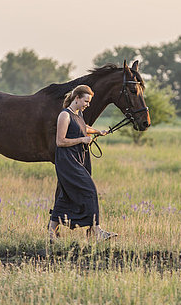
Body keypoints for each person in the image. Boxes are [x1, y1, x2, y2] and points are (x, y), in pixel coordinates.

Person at [48, 84, 117, 242]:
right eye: (86, 101)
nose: (88, 105)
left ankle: (51, 233)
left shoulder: (78, 114)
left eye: (89, 102)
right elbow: (60, 141)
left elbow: (83, 127)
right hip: (67, 160)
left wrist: (98, 131)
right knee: (89, 190)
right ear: (77, 98)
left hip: (78, 158)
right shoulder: (64, 116)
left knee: (65, 195)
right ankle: (96, 230)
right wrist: (82, 140)